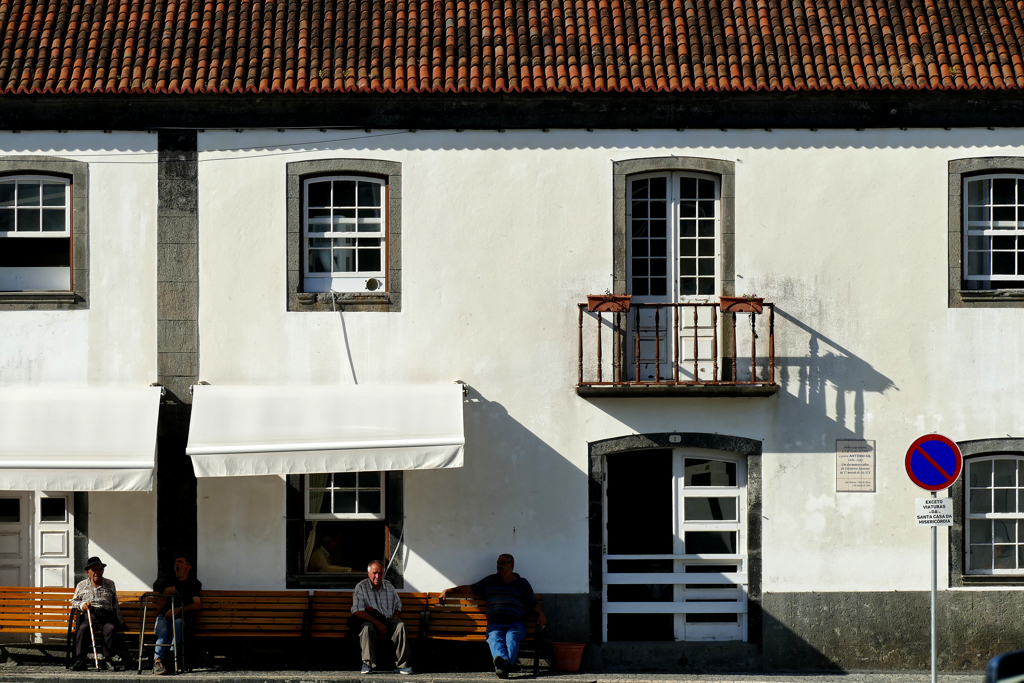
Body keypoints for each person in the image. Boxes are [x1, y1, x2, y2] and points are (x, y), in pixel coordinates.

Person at [440, 554, 547, 679]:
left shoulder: (522, 583)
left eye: (503, 563)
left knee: (512, 637)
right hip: (495, 623)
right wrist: (448, 591)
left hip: (516, 624)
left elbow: (533, 603)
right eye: (498, 563)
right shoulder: (489, 581)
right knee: (495, 637)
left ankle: (502, 666)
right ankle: (505, 666)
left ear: (511, 565)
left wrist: (541, 613)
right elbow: (470, 588)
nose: (499, 566)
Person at [351, 560, 412, 675]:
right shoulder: (361, 587)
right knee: (366, 629)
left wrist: (396, 615)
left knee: (401, 626)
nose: (377, 576)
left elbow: (398, 604)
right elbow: (357, 611)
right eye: (374, 573)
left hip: (388, 620)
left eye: (380, 573)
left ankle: (403, 665)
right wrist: (378, 623)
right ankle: (368, 663)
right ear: (369, 573)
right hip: (370, 621)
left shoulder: (389, 586)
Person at [70, 556, 125, 671]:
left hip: (107, 617)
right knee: (82, 630)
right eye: (94, 569)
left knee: (110, 629)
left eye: (100, 569)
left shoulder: (110, 584)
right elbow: (74, 601)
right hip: (90, 616)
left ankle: (108, 660)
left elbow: (115, 604)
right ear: (88, 572)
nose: (97, 572)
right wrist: (82, 605)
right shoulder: (81, 585)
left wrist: (120, 622)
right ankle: (81, 660)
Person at [152, 555, 202, 675]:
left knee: (177, 624)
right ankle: (157, 661)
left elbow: (197, 605)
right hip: (164, 617)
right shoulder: (167, 583)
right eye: (175, 562)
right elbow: (158, 608)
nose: (176, 564)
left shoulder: (193, 584)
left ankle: (172, 658)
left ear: (188, 567)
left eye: (180, 562)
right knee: (163, 630)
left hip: (181, 618)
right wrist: (165, 593)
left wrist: (179, 609)